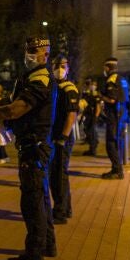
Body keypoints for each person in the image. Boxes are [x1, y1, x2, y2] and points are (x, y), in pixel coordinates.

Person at [0, 36, 57, 260]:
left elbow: (18, 109)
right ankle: (48, 244)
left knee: (32, 201)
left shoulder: (40, 80)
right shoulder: (30, 78)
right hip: (36, 146)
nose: (29, 54)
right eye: (28, 50)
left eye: (33, 51)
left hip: (34, 147)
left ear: (45, 54)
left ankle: (34, 254)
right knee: (41, 198)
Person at [49, 55, 79, 224]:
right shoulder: (56, 87)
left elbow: (71, 115)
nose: (59, 69)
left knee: (58, 175)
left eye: (62, 66)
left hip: (62, 138)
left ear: (67, 68)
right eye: (56, 65)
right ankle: (65, 209)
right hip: (56, 137)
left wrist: (63, 137)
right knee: (60, 175)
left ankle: (59, 213)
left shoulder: (69, 88)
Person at [100, 57, 126, 179]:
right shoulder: (122, 79)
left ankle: (117, 171)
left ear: (108, 67)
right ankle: (117, 169)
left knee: (111, 143)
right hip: (122, 115)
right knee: (117, 143)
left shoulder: (111, 79)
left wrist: (100, 96)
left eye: (104, 67)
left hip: (114, 115)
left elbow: (112, 99)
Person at [80, 78, 101, 156]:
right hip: (88, 115)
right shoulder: (87, 93)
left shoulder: (96, 95)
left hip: (93, 116)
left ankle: (93, 150)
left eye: (93, 84)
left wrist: (95, 117)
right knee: (88, 131)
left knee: (92, 132)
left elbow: (98, 107)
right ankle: (91, 148)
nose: (91, 86)